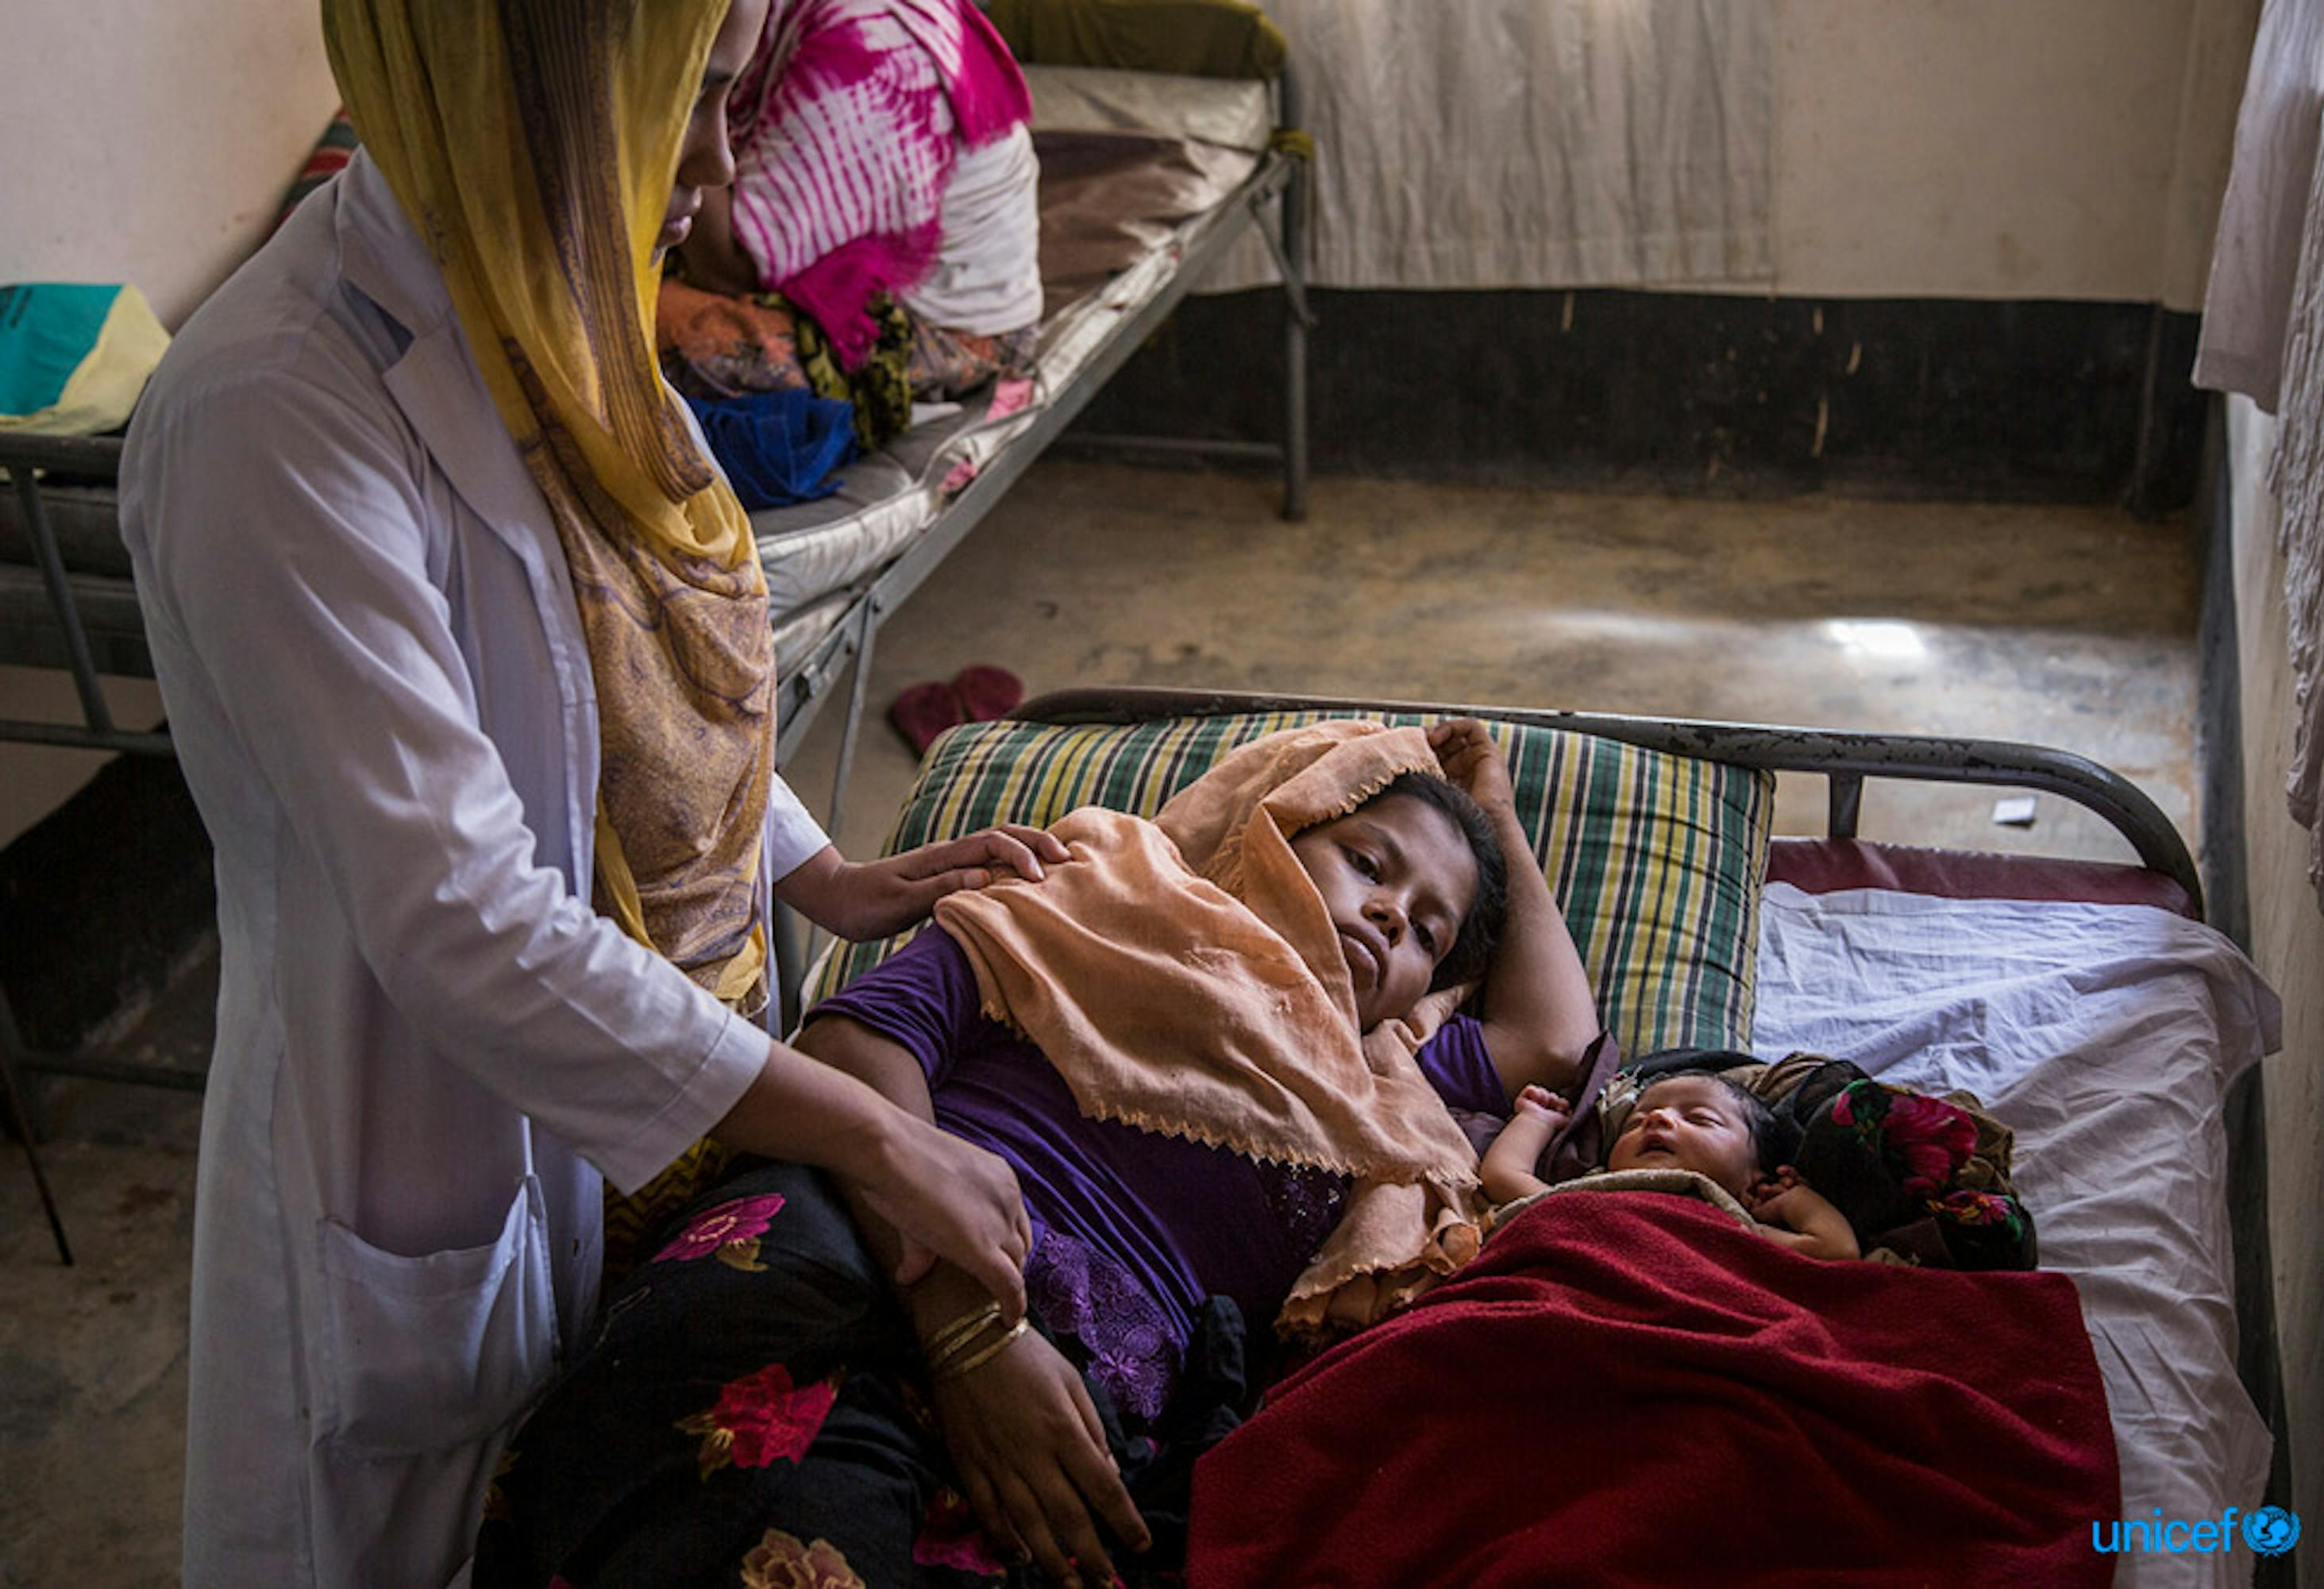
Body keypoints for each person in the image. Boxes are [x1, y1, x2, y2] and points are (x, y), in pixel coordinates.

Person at [117, 2, 1063, 1583]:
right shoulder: (272, 417)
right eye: (677, 98)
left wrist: (816, 868)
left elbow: (623, 681)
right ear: (518, 93)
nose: (710, 162)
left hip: (636, 1147)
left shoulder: (564, 326)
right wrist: (877, 1141)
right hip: (431, 1175)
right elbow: (462, 911)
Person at [476, 719, 1604, 1589]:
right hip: (861, 1252)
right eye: (1368, 860)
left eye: (1431, 931)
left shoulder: (1388, 1085)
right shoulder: (1094, 900)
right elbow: (853, 1042)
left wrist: (1491, 812)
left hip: (1079, 1419)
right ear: (1274, 823)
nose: (1390, 918)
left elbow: (1556, 1039)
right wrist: (974, 1328)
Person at [677, 0, 1045, 402]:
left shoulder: (863, 43)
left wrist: (674, 106)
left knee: (641, 337)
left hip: (958, 336)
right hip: (941, 300)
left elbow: (729, 270)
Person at [1479, 1071, 1860, 1261]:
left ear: (1752, 1179)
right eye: (1634, 1122)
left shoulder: (1734, 1223)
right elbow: (1502, 1177)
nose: (1658, 1118)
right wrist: (1536, 1119)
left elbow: (1837, 1250)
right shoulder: (1590, 1194)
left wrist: (1792, 1200)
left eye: (1700, 1119)